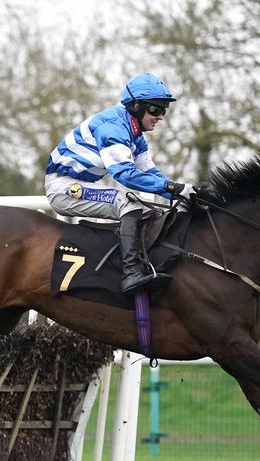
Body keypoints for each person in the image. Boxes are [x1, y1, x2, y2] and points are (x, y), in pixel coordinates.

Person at [44, 72, 196, 294]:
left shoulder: (135, 135)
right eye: (155, 109)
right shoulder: (113, 128)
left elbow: (151, 172)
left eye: (163, 110)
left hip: (82, 183)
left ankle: (143, 265)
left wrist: (181, 191)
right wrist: (172, 188)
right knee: (128, 203)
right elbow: (125, 175)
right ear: (135, 106)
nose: (160, 116)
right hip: (64, 187)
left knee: (146, 209)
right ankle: (131, 272)